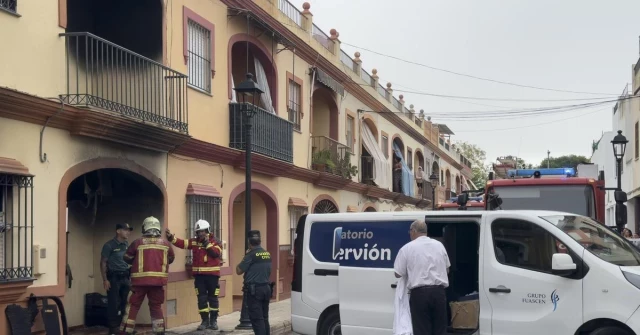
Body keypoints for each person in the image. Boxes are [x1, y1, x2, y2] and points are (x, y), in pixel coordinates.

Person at [119, 216, 175, 335]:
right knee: (156, 307)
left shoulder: (137, 242)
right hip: (158, 283)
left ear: (145, 227)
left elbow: (127, 257)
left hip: (138, 283)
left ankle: (125, 332)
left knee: (133, 307)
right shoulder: (165, 244)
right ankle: (159, 331)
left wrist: (136, 261)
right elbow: (171, 258)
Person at [393, 219, 450, 335]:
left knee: (422, 330)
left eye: (410, 231)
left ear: (413, 231)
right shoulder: (439, 246)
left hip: (420, 295)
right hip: (439, 293)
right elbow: (447, 269)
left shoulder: (407, 248)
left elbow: (398, 273)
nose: (409, 234)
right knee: (440, 329)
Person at [166, 219, 223, 330]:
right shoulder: (194, 242)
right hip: (199, 277)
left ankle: (213, 321)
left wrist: (206, 243)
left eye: (202, 231)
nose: (200, 233)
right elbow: (182, 243)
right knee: (201, 299)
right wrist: (171, 238)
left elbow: (215, 253)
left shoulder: (216, 241)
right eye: (198, 232)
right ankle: (204, 321)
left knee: (213, 299)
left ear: (208, 230)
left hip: (212, 276)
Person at [236, 230, 273, 335]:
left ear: (249, 242)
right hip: (266, 289)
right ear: (260, 241)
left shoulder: (251, 255)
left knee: (257, 320)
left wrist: (246, 256)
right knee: (264, 318)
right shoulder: (267, 254)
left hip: (255, 291)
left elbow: (238, 270)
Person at [100, 222, 133, 335]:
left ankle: (123, 328)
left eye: (129, 230)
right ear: (118, 231)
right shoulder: (109, 245)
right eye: (125, 230)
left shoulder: (126, 244)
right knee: (114, 303)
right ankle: (113, 329)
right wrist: (105, 279)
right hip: (113, 278)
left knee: (125, 303)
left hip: (125, 277)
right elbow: (103, 262)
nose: (128, 232)